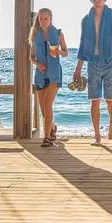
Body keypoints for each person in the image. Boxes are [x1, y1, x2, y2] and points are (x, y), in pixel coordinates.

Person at [73, 0, 112, 145]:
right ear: (91, 1)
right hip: (93, 62)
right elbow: (83, 44)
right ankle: (97, 136)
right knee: (95, 100)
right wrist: (78, 68)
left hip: (111, 61)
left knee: (110, 99)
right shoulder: (86, 20)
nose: (97, 0)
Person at [30, 8, 68, 147]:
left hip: (53, 72)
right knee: (42, 107)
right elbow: (31, 56)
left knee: (47, 104)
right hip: (40, 73)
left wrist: (58, 51)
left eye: (46, 18)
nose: (43, 21)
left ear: (51, 19)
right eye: (41, 19)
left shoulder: (58, 34)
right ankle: (52, 128)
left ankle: (46, 137)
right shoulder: (35, 35)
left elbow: (66, 52)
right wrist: (37, 64)